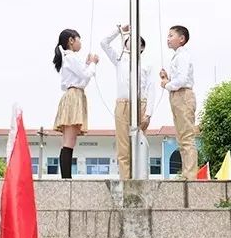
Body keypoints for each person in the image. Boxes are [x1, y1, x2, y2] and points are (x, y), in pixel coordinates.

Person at [101, 24, 154, 180]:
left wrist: (149, 113)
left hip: (140, 104)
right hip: (122, 104)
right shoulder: (119, 60)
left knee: (139, 143)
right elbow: (104, 43)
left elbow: (151, 89)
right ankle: (125, 181)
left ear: (142, 47)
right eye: (129, 40)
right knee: (123, 146)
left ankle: (140, 179)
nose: (131, 42)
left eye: (136, 40)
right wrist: (119, 30)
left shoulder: (146, 65)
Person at [52, 28, 98, 179]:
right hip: (74, 97)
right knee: (69, 141)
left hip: (71, 95)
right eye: (78, 39)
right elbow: (85, 76)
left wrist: (87, 64)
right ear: (71, 40)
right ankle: (67, 179)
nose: (80, 43)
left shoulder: (68, 58)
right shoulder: (71, 57)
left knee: (67, 141)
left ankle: (66, 178)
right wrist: (93, 64)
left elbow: (82, 78)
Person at [160, 25, 197, 180]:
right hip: (177, 95)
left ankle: (190, 175)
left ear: (181, 39)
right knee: (181, 137)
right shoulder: (178, 56)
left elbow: (181, 80)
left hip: (182, 95)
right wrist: (167, 79)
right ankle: (187, 173)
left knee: (186, 136)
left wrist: (166, 85)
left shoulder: (183, 56)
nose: (168, 39)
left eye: (171, 36)